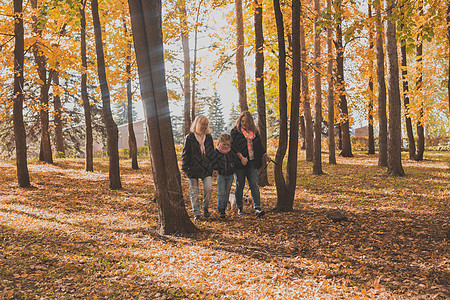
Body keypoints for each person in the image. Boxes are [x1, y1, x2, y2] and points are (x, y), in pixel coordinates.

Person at [230, 111, 270, 217]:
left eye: (246, 122)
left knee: (254, 185)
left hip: (252, 162)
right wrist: (241, 157)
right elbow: (233, 147)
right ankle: (240, 208)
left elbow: (259, 146)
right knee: (240, 185)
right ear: (239, 121)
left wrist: (265, 154)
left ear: (250, 122)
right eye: (242, 121)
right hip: (239, 163)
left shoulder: (255, 133)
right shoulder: (235, 132)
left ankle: (257, 208)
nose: (244, 124)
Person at [181, 115, 217, 221]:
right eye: (203, 124)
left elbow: (212, 154)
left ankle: (205, 208)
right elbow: (185, 154)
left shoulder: (209, 137)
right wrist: (184, 169)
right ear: (197, 124)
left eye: (206, 125)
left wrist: (214, 168)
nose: (205, 127)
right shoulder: (189, 138)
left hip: (206, 168)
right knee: (194, 192)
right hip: (192, 168)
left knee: (209, 188)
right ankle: (196, 213)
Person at [214, 133, 239, 219]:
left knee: (227, 193)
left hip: (230, 175)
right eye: (224, 144)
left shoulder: (231, 152)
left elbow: (235, 162)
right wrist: (215, 169)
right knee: (221, 192)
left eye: (228, 144)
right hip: (221, 175)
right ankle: (221, 210)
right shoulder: (216, 152)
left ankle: (224, 209)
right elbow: (214, 162)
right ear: (220, 142)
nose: (226, 146)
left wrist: (234, 169)